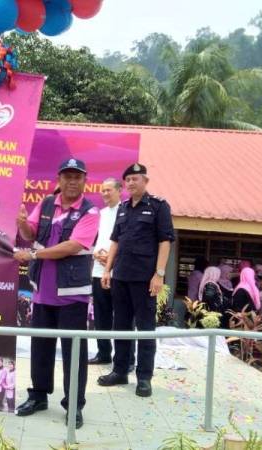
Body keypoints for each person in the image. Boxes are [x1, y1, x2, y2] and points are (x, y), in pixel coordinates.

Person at [14, 158, 100, 429]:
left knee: (73, 352)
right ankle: (38, 396)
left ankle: (74, 405)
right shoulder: (47, 203)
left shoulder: (90, 211)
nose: (72, 181)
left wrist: (34, 254)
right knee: (40, 349)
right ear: (59, 179)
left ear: (84, 181)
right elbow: (31, 233)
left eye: (77, 177)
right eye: (67, 176)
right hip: (42, 292)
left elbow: (73, 246)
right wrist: (21, 223)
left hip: (72, 295)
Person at [98, 163, 175, 399]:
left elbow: (165, 241)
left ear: (145, 181)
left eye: (135, 179)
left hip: (144, 279)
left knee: (145, 329)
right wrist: (107, 270)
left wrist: (159, 274)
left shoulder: (158, 206)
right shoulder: (122, 208)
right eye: (128, 180)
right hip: (120, 276)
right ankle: (120, 371)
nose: (131, 183)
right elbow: (115, 242)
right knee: (120, 327)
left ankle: (144, 378)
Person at [89, 178, 122, 365]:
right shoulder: (99, 214)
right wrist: (96, 253)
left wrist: (112, 257)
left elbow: (124, 241)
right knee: (101, 315)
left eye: (109, 190)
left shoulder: (126, 211)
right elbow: (94, 239)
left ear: (119, 191)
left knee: (122, 317)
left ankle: (125, 357)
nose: (105, 193)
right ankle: (103, 353)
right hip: (98, 271)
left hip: (119, 273)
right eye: (103, 190)